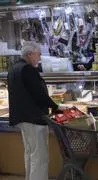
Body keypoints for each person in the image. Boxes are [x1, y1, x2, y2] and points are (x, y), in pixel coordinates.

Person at [8, 41, 68, 180]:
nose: (39, 58)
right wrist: (56, 107)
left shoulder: (14, 68)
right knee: (39, 157)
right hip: (34, 119)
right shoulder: (28, 69)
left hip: (21, 118)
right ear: (29, 54)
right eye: (38, 54)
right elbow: (39, 95)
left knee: (30, 154)